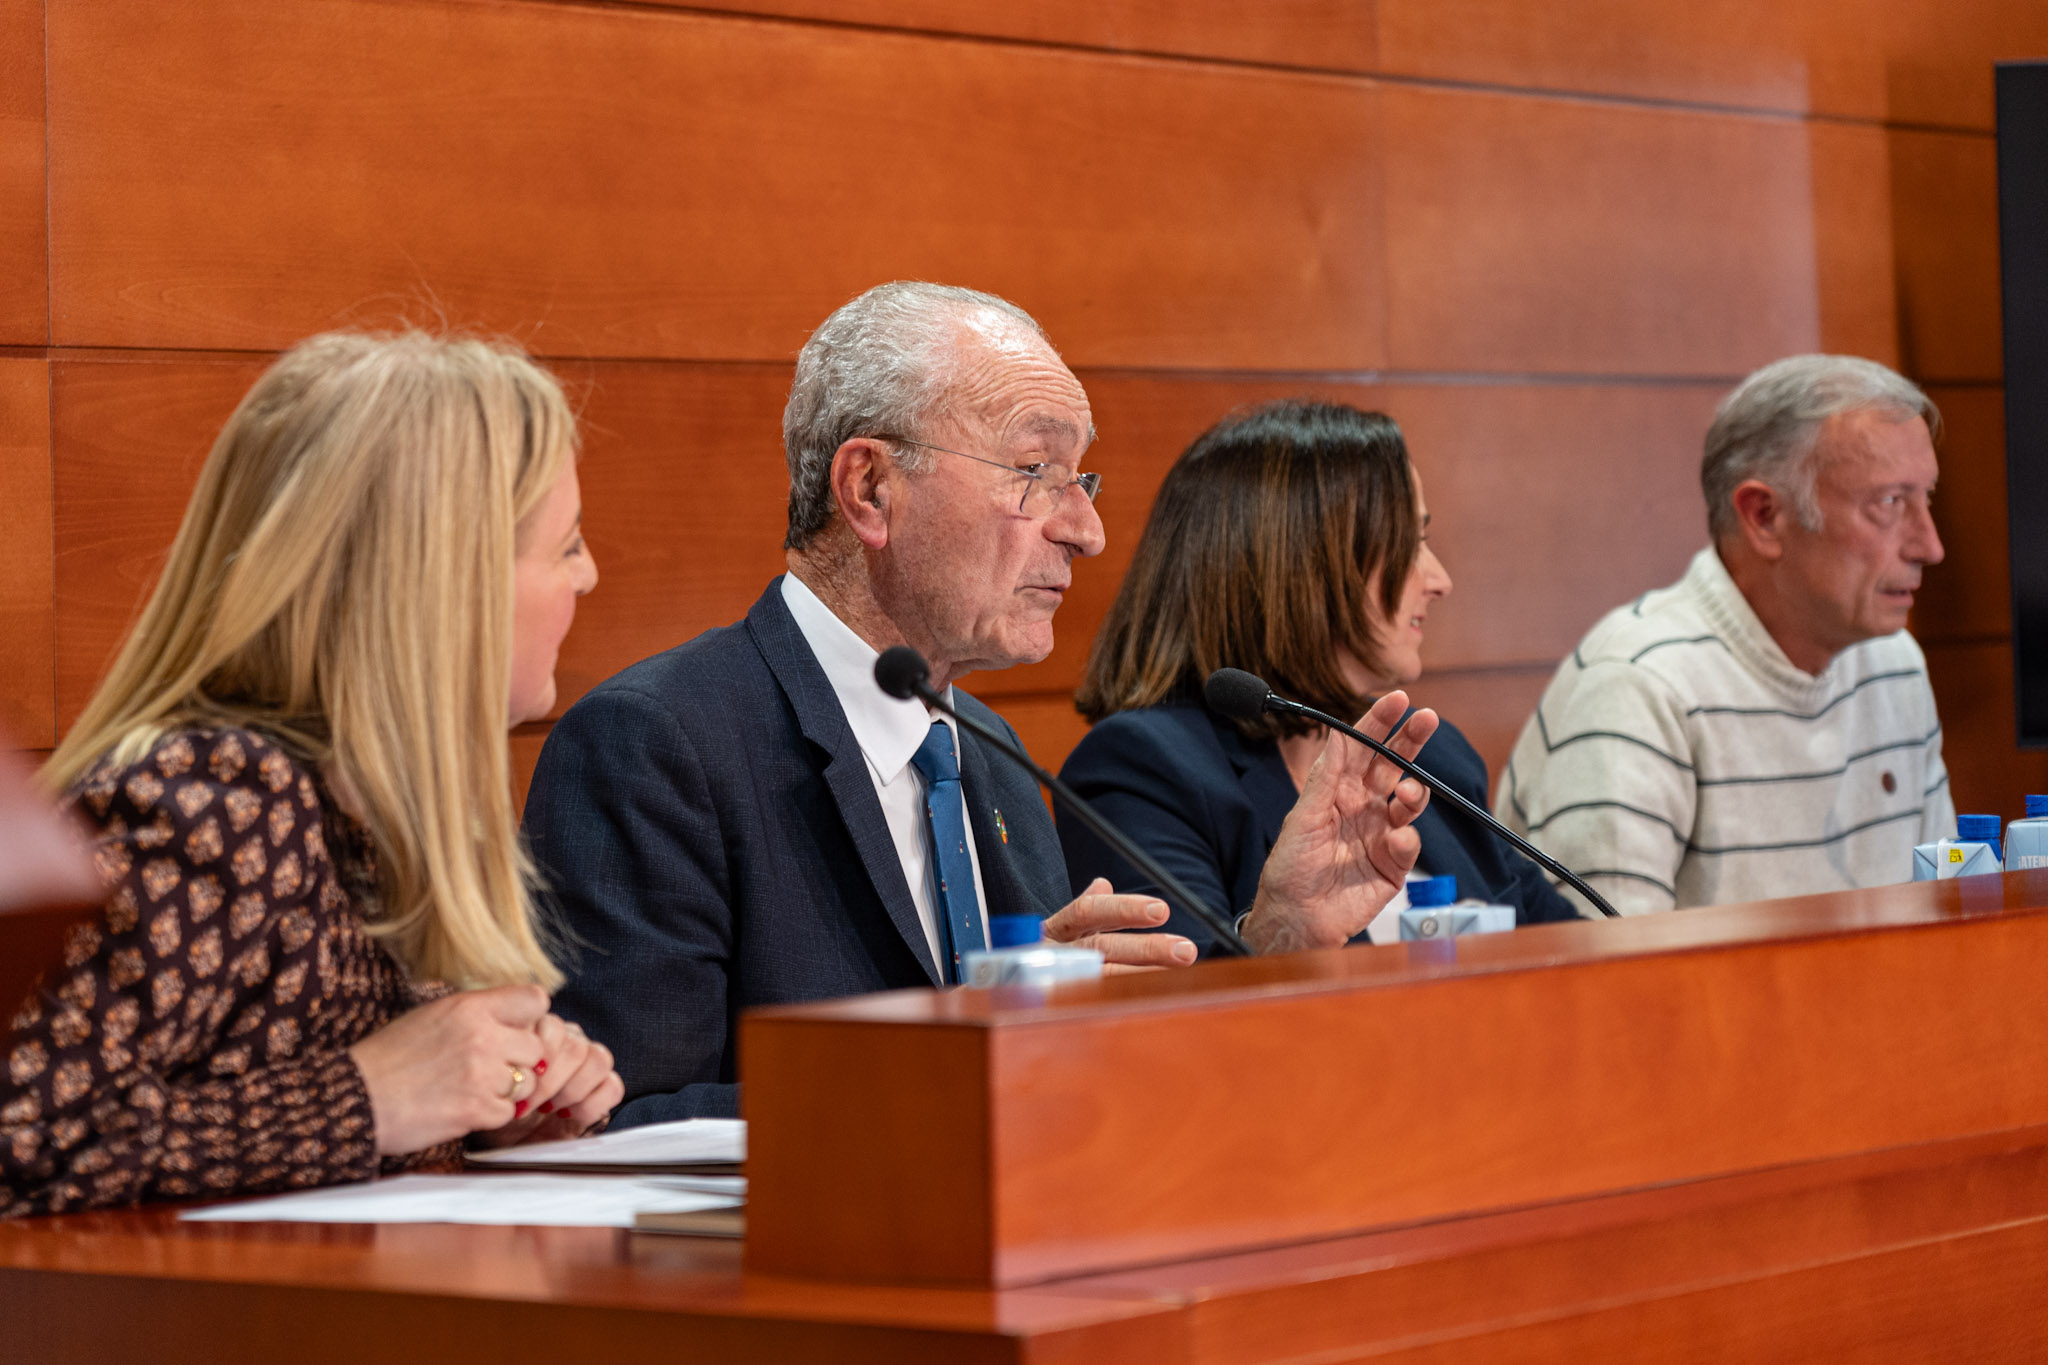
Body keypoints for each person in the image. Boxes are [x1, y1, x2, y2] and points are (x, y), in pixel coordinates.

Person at [525, 283, 1439, 1126]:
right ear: (870, 488)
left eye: (1081, 481)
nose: (1085, 530)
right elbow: (613, 1126)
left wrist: (1275, 936)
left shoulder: (987, 752)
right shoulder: (656, 744)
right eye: (1035, 469)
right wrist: (973, 1042)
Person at [2, 333, 623, 1218]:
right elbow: (25, 1137)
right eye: (564, 545)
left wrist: (492, 1110)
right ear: (450, 586)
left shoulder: (387, 804)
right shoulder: (216, 801)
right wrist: (368, 1097)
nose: (589, 573)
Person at [1060, 401, 1579, 946]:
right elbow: (1178, 1008)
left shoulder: (1434, 756)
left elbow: (1575, 956)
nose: (1440, 579)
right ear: (1306, 564)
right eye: (1411, 542)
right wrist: (1281, 933)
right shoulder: (1145, 771)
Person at [1497, 354, 1954, 915]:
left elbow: (1944, 922)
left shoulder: (1894, 663)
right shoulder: (1638, 686)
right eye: (1889, 503)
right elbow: (1610, 979)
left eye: (1925, 498)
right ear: (1764, 516)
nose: (1929, 546)